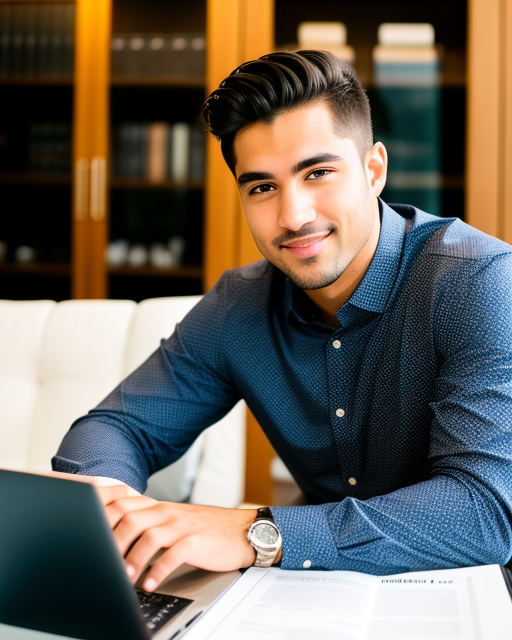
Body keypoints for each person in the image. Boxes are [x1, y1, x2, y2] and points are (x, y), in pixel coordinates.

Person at [53, 50, 512, 591]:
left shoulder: (479, 281)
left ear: (373, 169)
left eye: (317, 173)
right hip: (322, 596)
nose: (293, 216)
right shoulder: (238, 306)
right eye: (262, 187)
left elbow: (484, 511)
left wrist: (256, 532)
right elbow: (116, 428)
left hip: (478, 596)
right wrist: (114, 519)